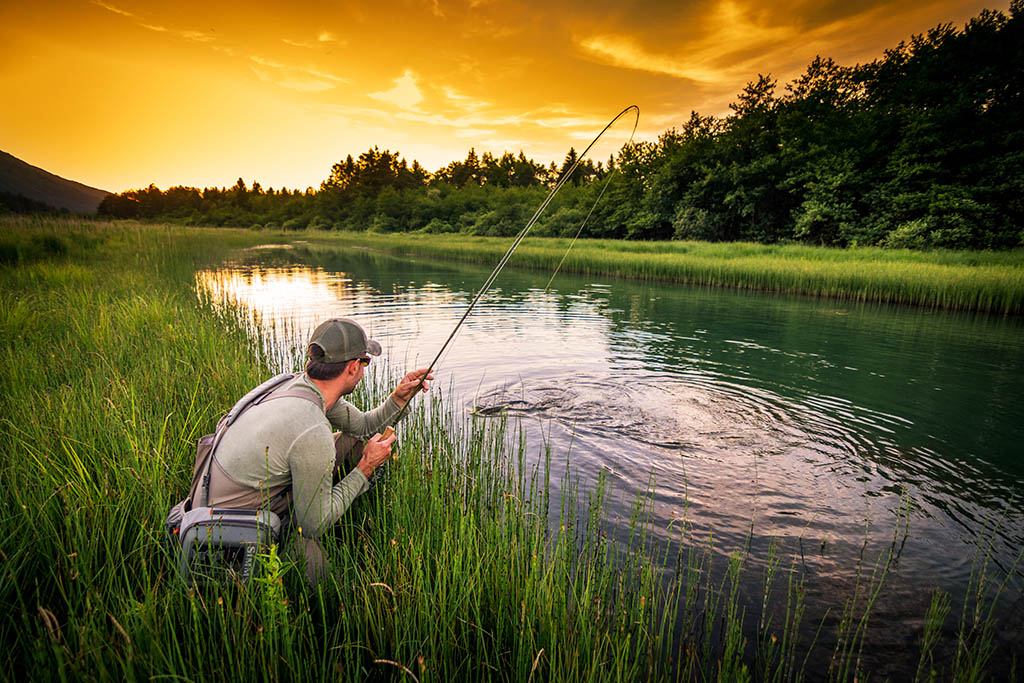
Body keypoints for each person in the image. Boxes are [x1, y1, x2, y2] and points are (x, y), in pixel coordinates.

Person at [206, 317, 432, 582]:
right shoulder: (313, 431)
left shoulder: (299, 385)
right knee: (326, 579)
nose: (364, 369)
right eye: (365, 362)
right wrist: (365, 469)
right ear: (351, 367)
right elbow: (312, 525)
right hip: (234, 527)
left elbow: (362, 427)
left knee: (356, 443)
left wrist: (398, 399)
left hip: (236, 493)